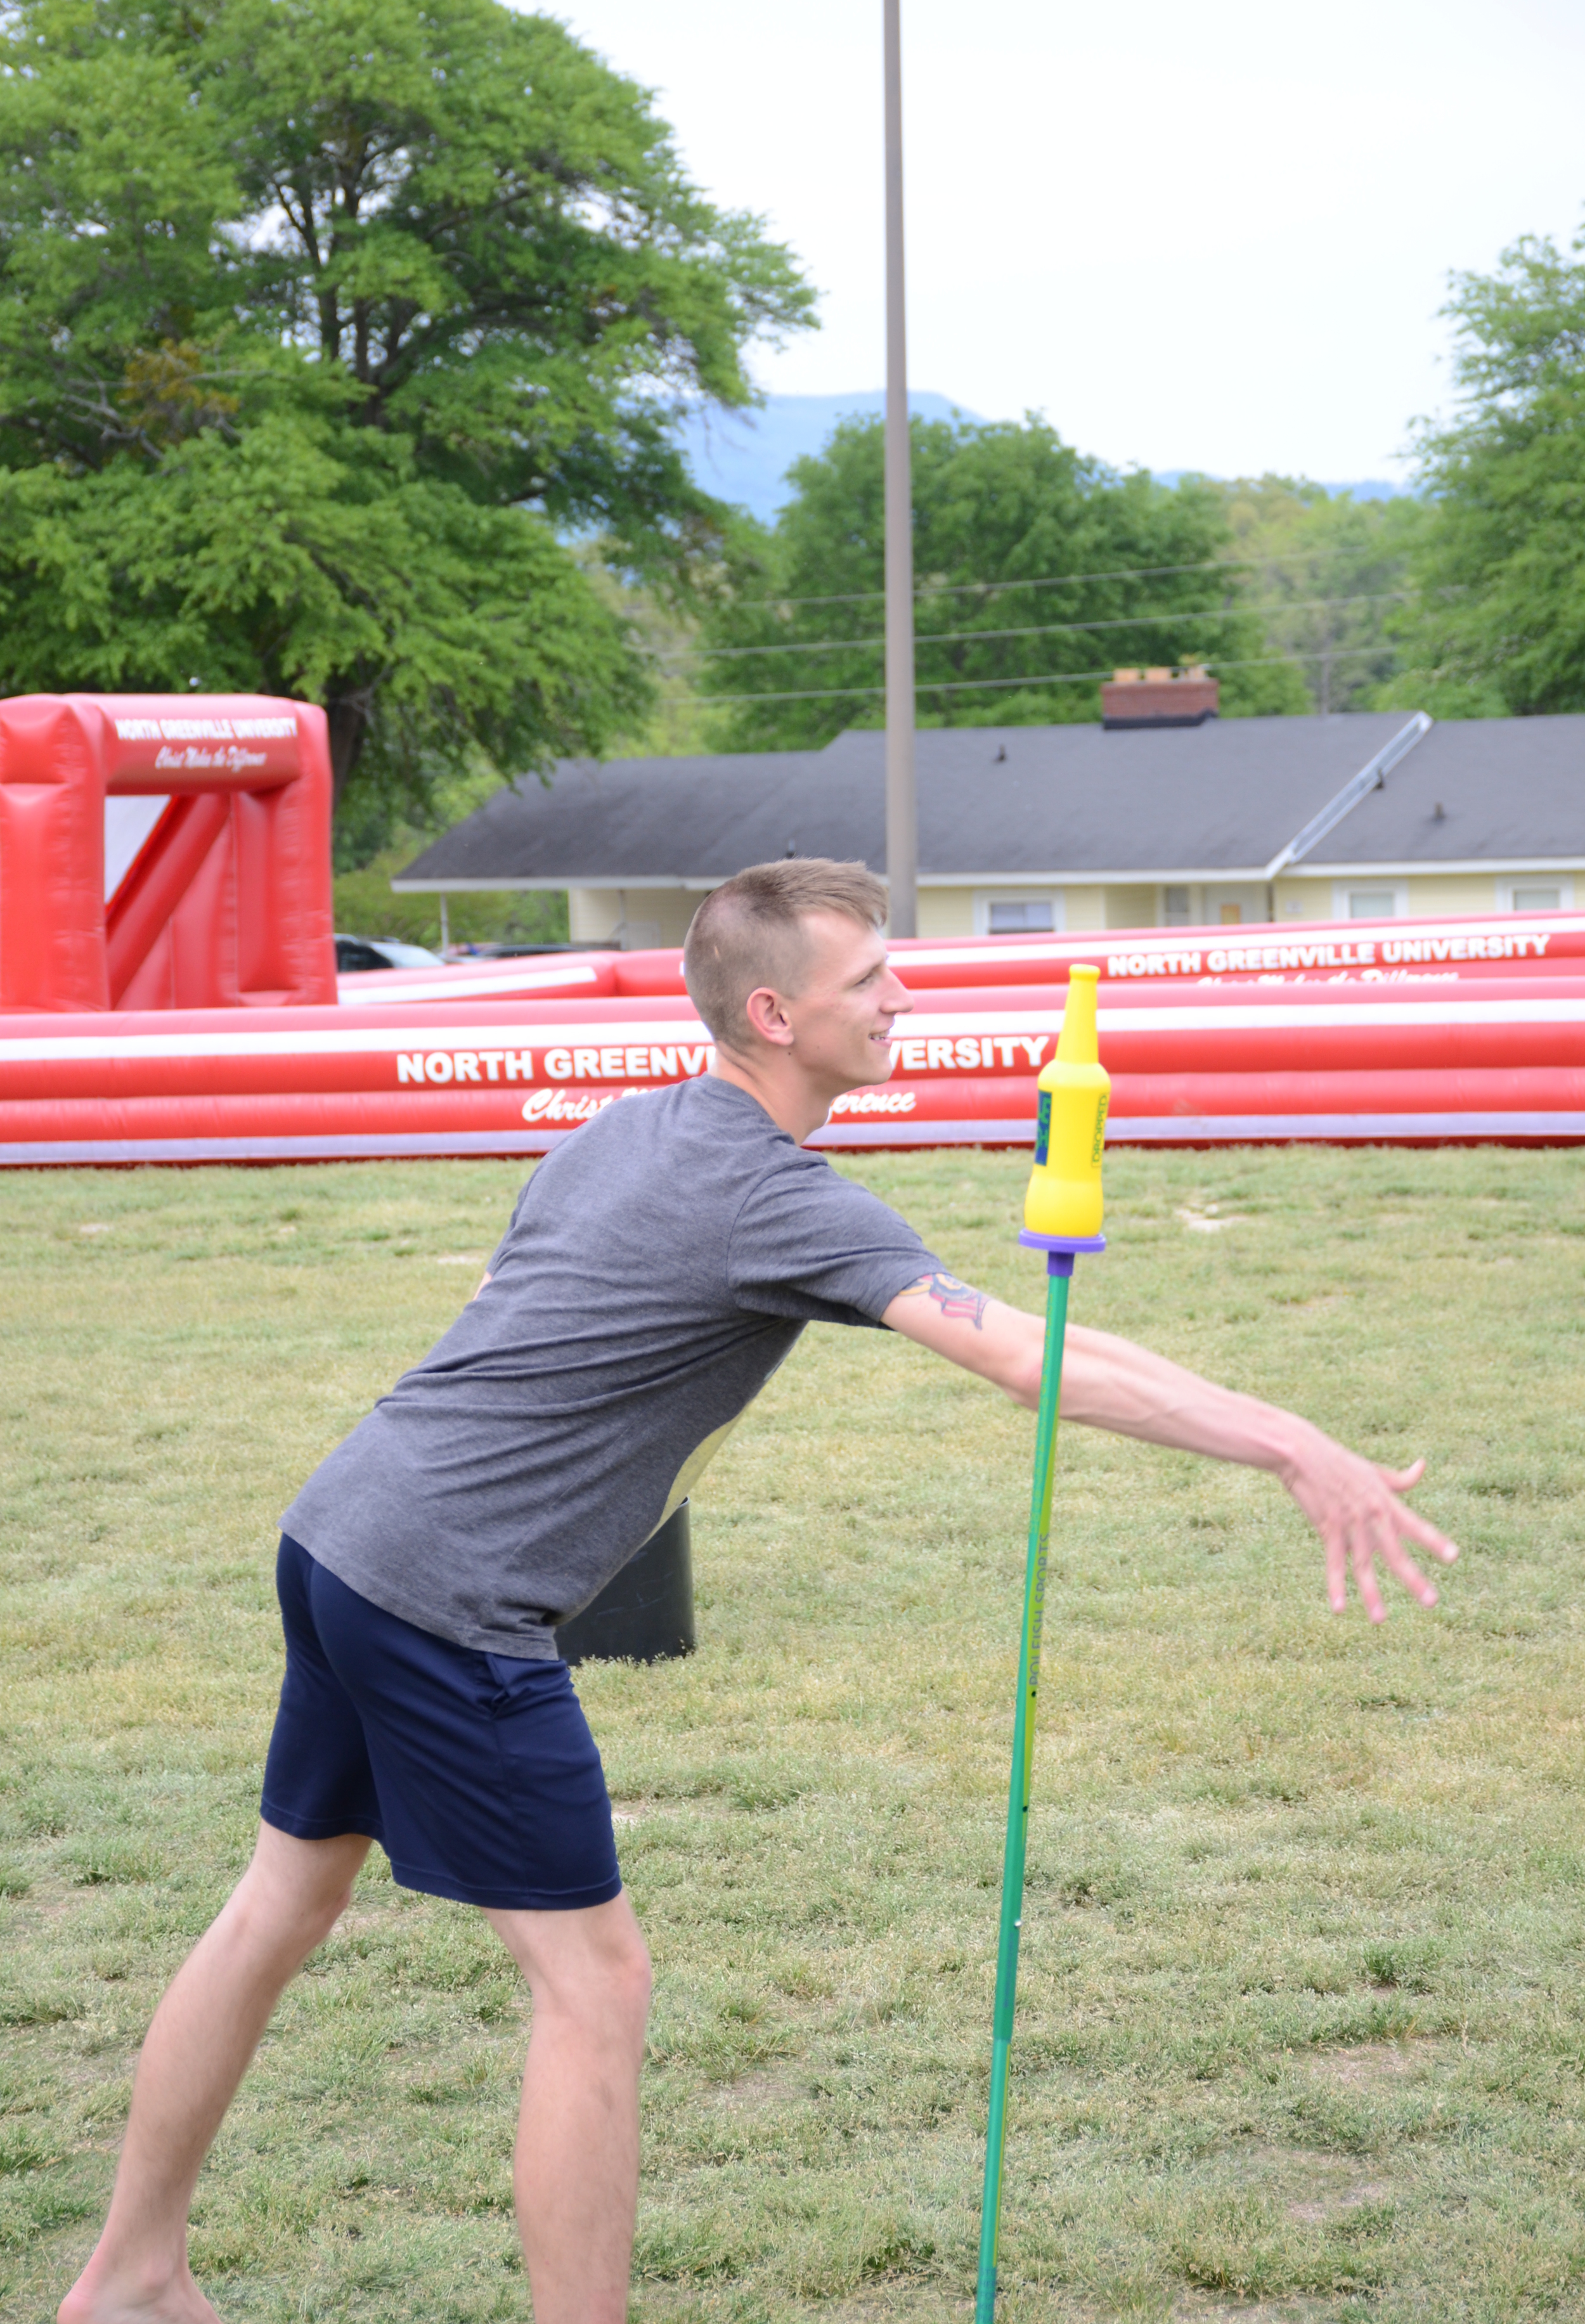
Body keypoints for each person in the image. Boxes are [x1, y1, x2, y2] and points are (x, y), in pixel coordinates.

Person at [61, 860, 1457, 2324]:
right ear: (778, 1012)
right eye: (871, 983)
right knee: (595, 1988)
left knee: (279, 1902)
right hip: (446, 1599)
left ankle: (130, 2275)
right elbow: (1028, 1357)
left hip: (340, 1532)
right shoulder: (767, 1197)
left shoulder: (634, 1129)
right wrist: (1292, 1443)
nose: (902, 997)